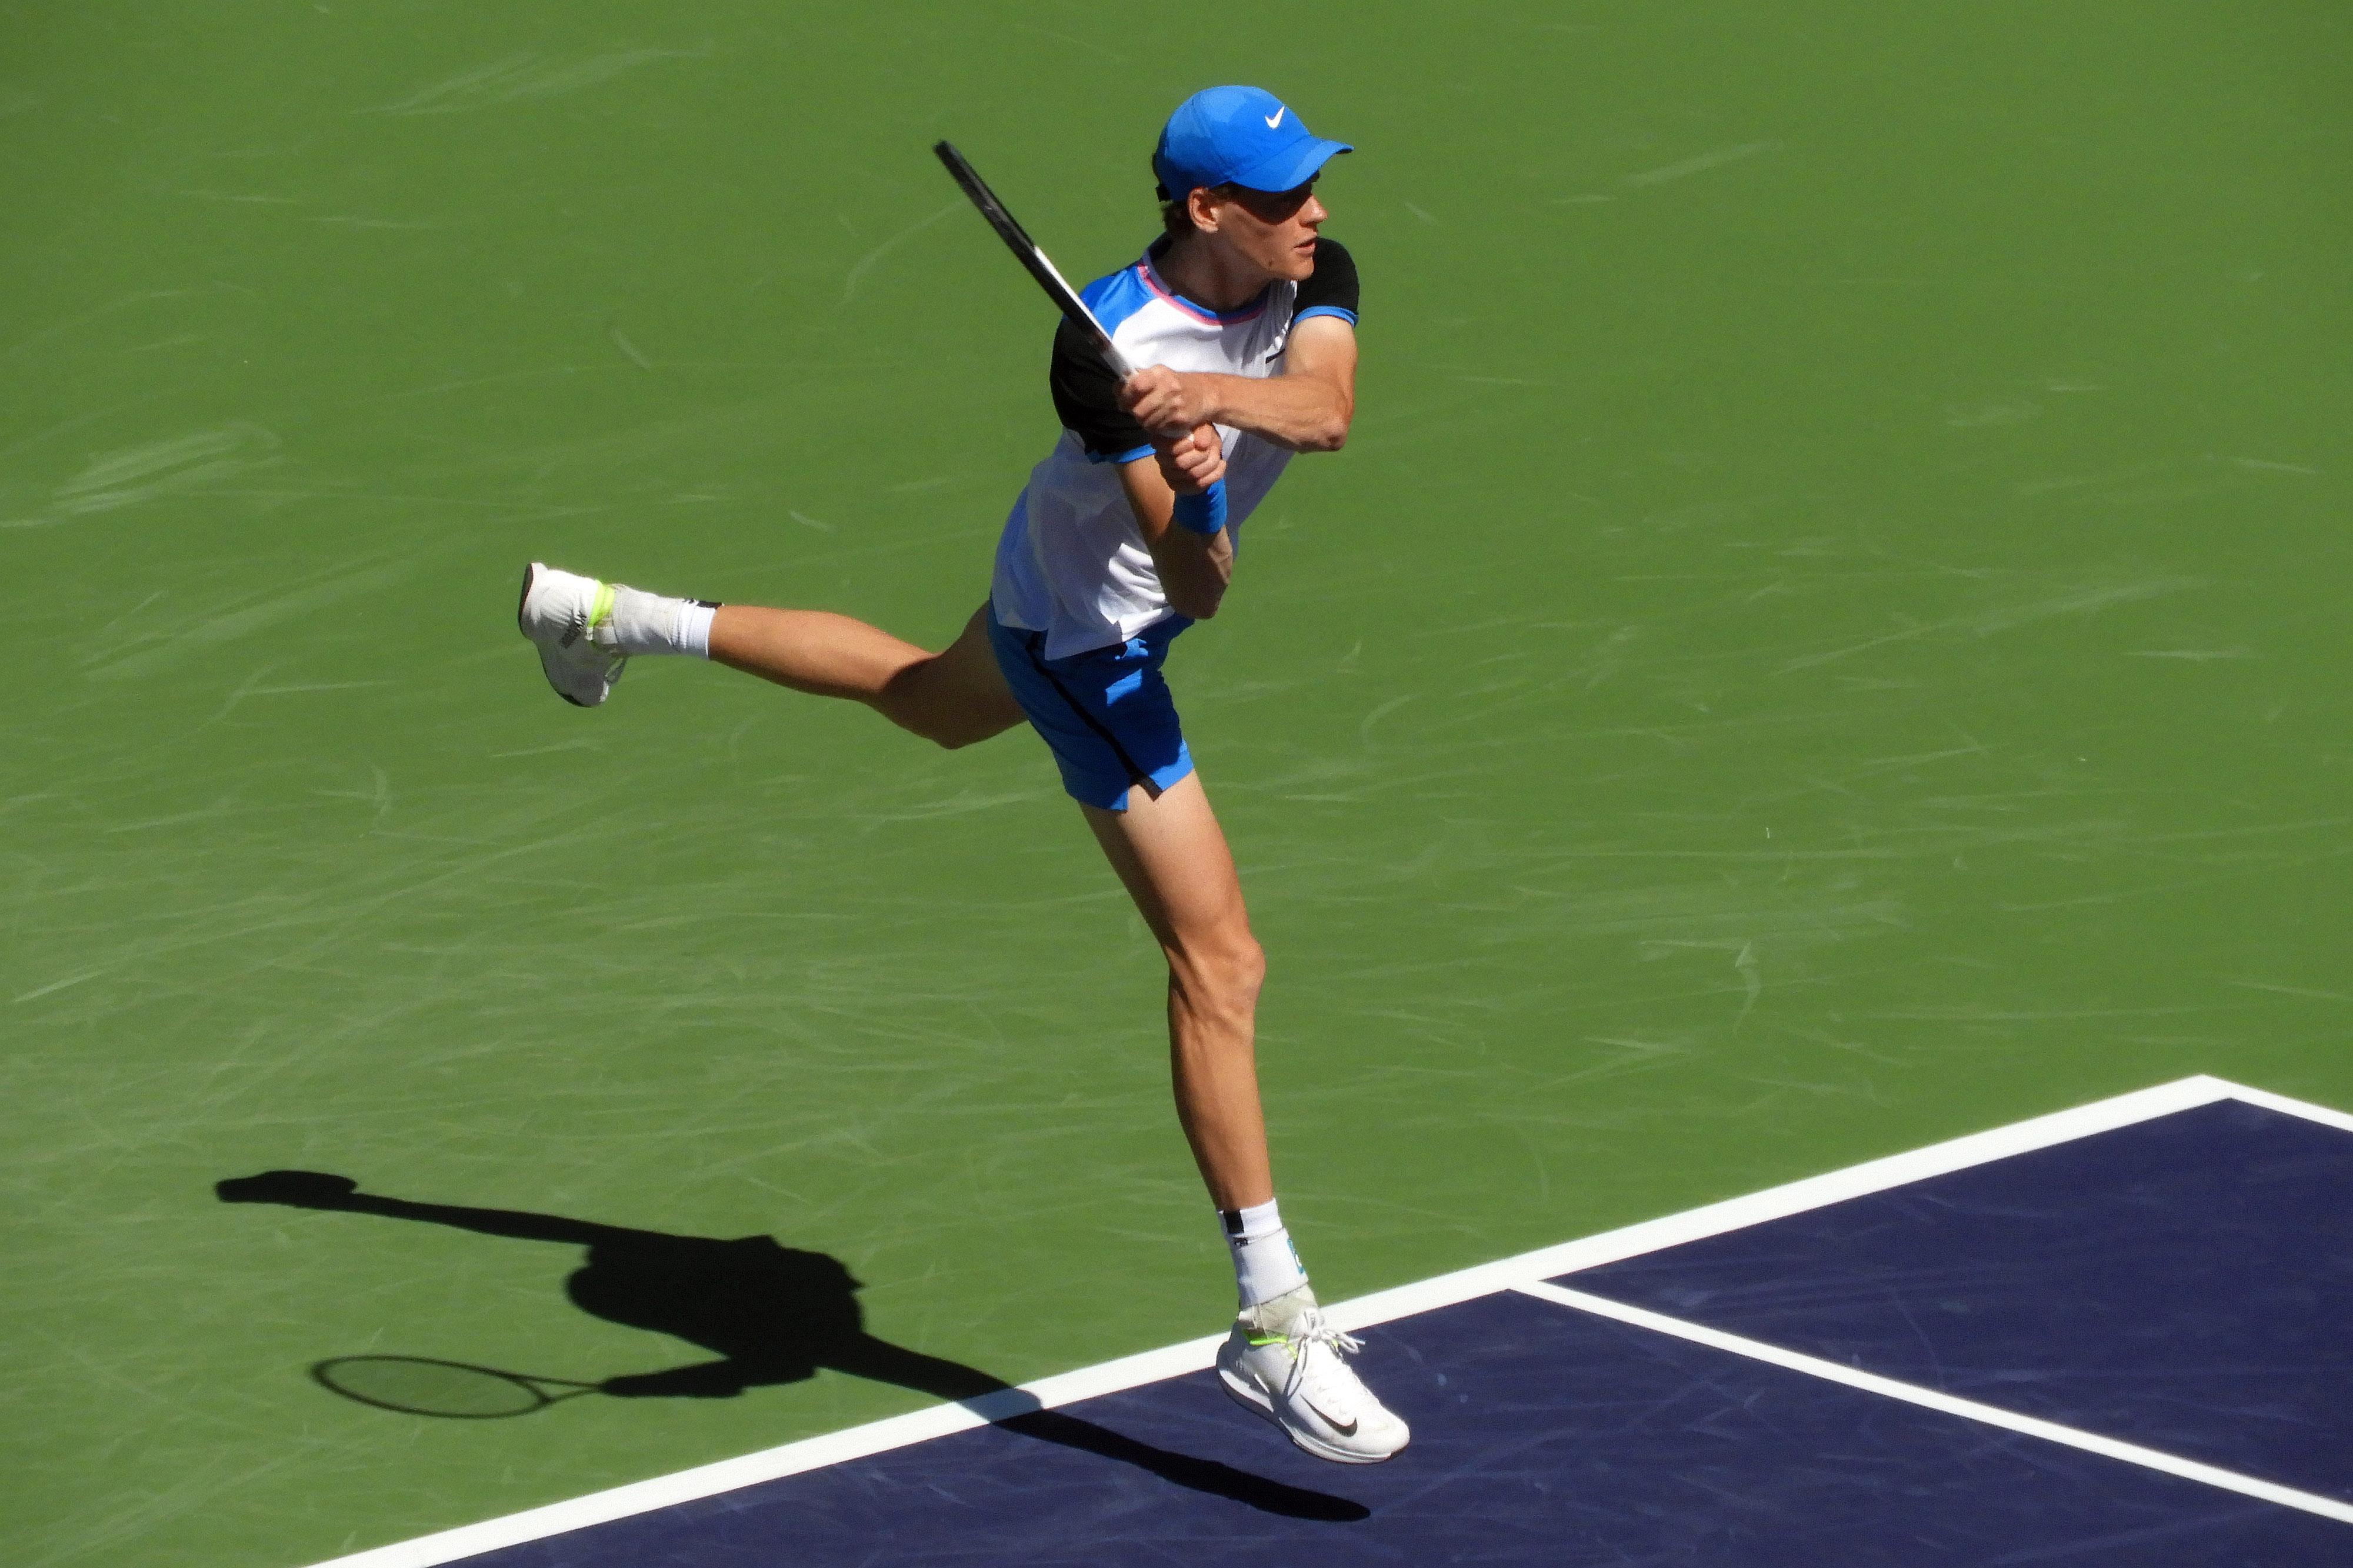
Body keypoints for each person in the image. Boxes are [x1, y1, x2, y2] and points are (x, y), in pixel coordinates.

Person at [516, 85, 1405, 1464]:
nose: (1319, 214)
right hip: (1092, 639)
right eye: (1288, 196)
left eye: (1312, 187)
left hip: (1053, 578)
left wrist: (1209, 407)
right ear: (1204, 210)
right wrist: (1190, 474)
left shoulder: (1310, 275)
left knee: (925, 702)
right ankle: (1270, 1315)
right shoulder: (1092, 354)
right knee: (1218, 963)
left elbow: (1328, 409)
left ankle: (602, 615)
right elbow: (1200, 585)